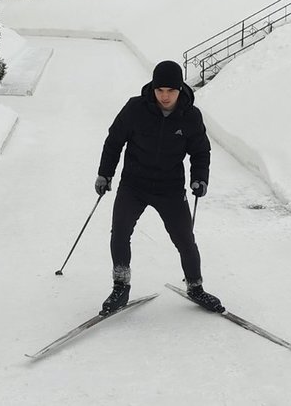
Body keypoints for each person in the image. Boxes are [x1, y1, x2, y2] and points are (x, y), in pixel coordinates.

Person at [95, 59, 224, 315]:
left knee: (185, 239)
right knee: (120, 232)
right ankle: (120, 286)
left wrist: (200, 177)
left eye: (171, 91)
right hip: (134, 184)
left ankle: (196, 287)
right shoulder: (135, 109)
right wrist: (105, 174)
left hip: (170, 188)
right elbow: (114, 142)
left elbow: (201, 151)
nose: (165, 96)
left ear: (180, 89)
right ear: (153, 88)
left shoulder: (190, 116)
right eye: (160, 90)